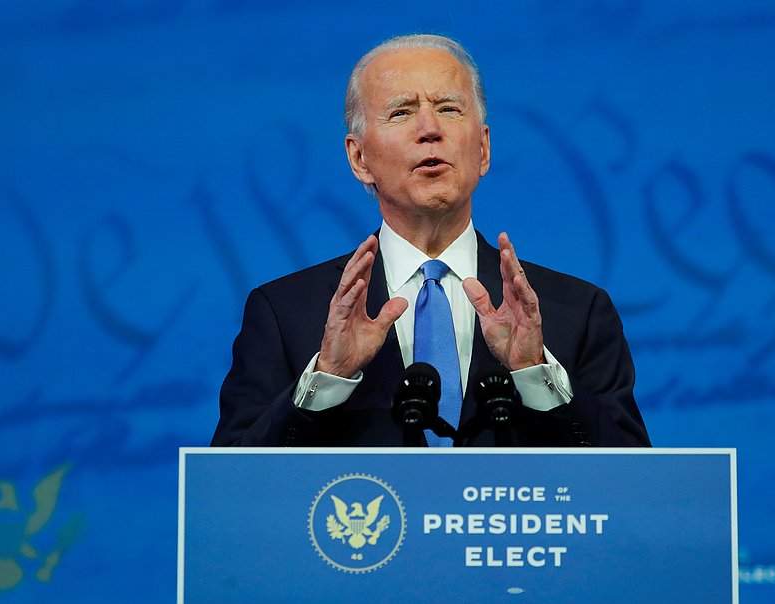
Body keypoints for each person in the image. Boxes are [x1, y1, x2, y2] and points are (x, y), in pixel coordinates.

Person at [211, 34, 650, 447]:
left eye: (449, 109)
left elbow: (632, 480)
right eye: (401, 112)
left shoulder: (576, 312)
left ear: (483, 149)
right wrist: (328, 376)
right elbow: (232, 484)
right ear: (359, 158)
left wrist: (536, 373)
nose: (429, 129)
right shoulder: (284, 315)